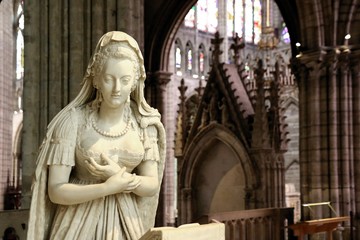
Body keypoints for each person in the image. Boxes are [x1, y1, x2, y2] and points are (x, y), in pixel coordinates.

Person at [27, 31, 166, 240]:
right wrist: (107, 188)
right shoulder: (72, 122)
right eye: (109, 79)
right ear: (96, 80)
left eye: (125, 79)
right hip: (78, 223)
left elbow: (152, 185)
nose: (117, 88)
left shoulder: (144, 125)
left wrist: (122, 179)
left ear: (135, 82)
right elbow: (56, 191)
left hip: (127, 222)